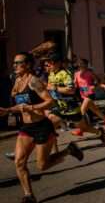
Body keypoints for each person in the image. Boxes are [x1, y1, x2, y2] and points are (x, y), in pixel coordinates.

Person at [0, 52, 83, 203]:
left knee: (42, 166)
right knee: (19, 162)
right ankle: (29, 196)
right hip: (26, 127)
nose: (15, 65)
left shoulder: (34, 82)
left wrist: (31, 107)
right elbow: (20, 106)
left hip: (41, 127)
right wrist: (8, 111)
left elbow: (50, 102)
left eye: (18, 63)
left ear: (28, 65)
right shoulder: (17, 80)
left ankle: (69, 150)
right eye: (14, 63)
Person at [45, 53, 105, 146]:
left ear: (58, 63)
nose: (48, 66)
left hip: (71, 107)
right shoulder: (51, 74)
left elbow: (71, 90)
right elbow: (50, 88)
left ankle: (100, 133)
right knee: (50, 127)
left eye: (50, 63)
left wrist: (55, 88)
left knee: (84, 127)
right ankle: (52, 153)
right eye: (47, 64)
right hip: (59, 106)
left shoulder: (65, 74)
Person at [73, 58, 105, 136]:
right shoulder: (76, 74)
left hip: (90, 94)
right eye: (79, 64)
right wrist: (73, 85)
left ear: (86, 65)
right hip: (82, 95)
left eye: (82, 64)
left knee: (82, 110)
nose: (80, 65)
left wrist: (94, 85)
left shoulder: (90, 73)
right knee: (95, 110)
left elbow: (98, 80)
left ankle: (80, 129)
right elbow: (75, 84)